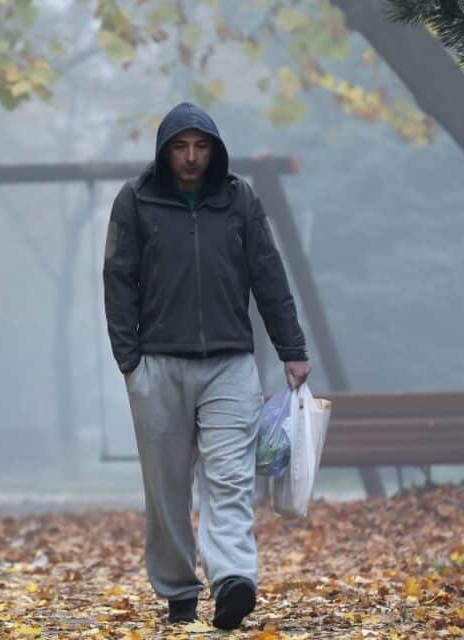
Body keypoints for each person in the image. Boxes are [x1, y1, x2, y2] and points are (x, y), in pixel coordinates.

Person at [102, 102, 312, 630]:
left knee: (231, 478)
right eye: (180, 146)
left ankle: (234, 579)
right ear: (164, 150)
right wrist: (129, 360)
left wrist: (291, 347)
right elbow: (118, 279)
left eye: (200, 147)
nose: (191, 157)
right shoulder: (136, 200)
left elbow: (268, 273)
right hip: (156, 364)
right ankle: (178, 591)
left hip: (230, 363)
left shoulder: (239, 199)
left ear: (214, 150)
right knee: (168, 487)